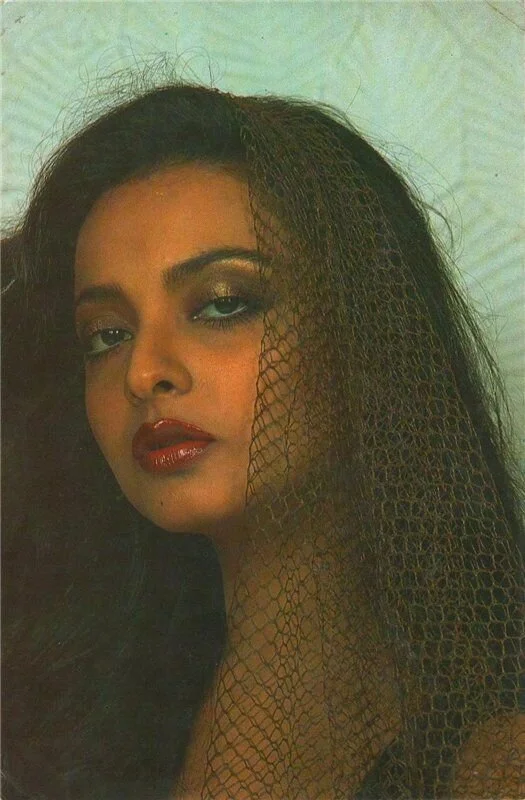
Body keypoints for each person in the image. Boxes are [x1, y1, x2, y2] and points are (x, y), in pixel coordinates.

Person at [2, 81, 523, 800]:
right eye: (106, 335)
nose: (144, 372)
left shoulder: (491, 766)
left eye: (223, 304)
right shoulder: (75, 731)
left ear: (364, 335)